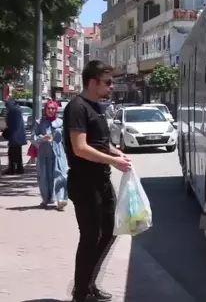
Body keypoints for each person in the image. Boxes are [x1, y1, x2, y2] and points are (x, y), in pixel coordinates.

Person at [63, 60, 131, 302]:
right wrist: (112, 161)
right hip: (84, 183)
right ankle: (80, 293)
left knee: (110, 230)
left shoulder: (97, 107)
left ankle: (89, 282)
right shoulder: (77, 107)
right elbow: (80, 148)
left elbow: (100, 142)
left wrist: (115, 152)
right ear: (92, 82)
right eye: (107, 82)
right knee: (90, 237)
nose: (111, 86)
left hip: (101, 180)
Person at [32, 100, 69, 210]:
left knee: (61, 174)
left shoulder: (61, 122)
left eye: (53, 108)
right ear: (45, 109)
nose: (51, 110)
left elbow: (66, 138)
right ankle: (46, 199)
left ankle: (61, 199)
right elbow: (33, 137)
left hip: (58, 153)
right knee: (44, 176)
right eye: (49, 108)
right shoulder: (39, 122)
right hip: (44, 153)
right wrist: (41, 138)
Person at [2, 98, 27, 175]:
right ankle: (19, 169)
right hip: (18, 136)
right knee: (18, 154)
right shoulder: (17, 109)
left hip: (15, 136)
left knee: (12, 153)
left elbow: (13, 125)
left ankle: (12, 169)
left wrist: (12, 135)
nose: (6, 107)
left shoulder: (13, 111)